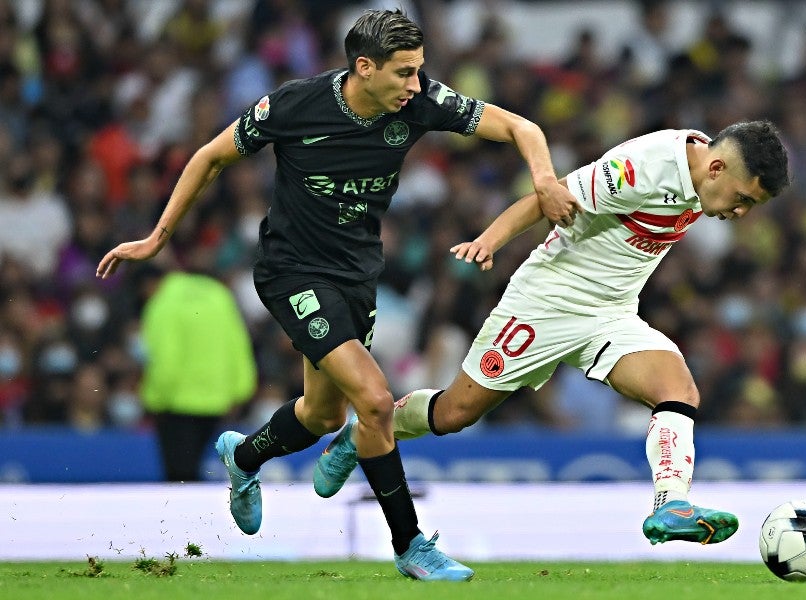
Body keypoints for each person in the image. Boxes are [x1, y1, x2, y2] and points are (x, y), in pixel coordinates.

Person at [95, 9, 579, 581]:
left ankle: (243, 456)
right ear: (364, 68)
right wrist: (157, 237)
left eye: (420, 71)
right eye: (404, 73)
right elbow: (211, 156)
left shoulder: (421, 102)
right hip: (292, 272)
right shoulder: (295, 104)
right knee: (374, 401)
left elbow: (523, 128)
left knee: (322, 415)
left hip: (356, 274)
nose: (416, 85)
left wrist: (545, 179)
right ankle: (410, 546)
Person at [313, 120, 790, 547]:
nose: (742, 212)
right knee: (456, 412)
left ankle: (671, 504)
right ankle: (362, 434)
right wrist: (488, 242)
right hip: (546, 302)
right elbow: (550, 196)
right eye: (743, 199)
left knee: (678, 388)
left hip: (611, 313)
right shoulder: (643, 168)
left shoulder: (704, 176)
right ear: (716, 168)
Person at [138, 266, 257, 482]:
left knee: (179, 476)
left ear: (148, 285)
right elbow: (238, 345)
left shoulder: (162, 303)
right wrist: (241, 390)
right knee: (197, 472)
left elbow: (166, 358)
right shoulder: (218, 294)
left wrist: (153, 400)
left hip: (176, 404)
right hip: (217, 403)